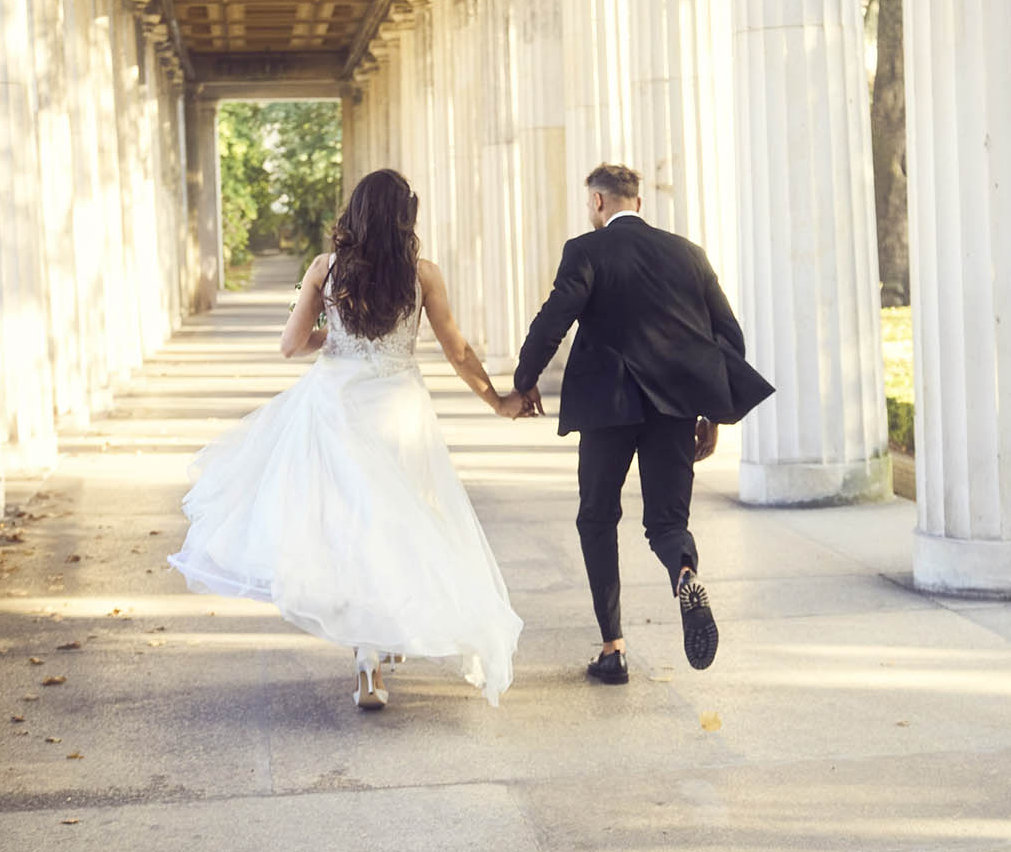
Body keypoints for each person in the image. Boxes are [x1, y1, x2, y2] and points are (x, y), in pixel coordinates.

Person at [168, 169, 530, 712]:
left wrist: (330, 332)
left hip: (337, 407)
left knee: (352, 527)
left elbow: (291, 345)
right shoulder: (423, 275)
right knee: (402, 523)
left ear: (354, 214)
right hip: (400, 409)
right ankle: (384, 636)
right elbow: (456, 350)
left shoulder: (324, 269)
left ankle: (367, 659)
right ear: (405, 218)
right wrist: (498, 399)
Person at [512, 164, 774, 685]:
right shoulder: (687, 254)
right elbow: (728, 336)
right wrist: (711, 409)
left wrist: (525, 379)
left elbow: (554, 317)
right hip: (675, 408)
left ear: (597, 202)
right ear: (640, 202)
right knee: (667, 524)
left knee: (597, 517)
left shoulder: (586, 251)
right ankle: (683, 573)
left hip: (608, 407)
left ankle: (613, 648)